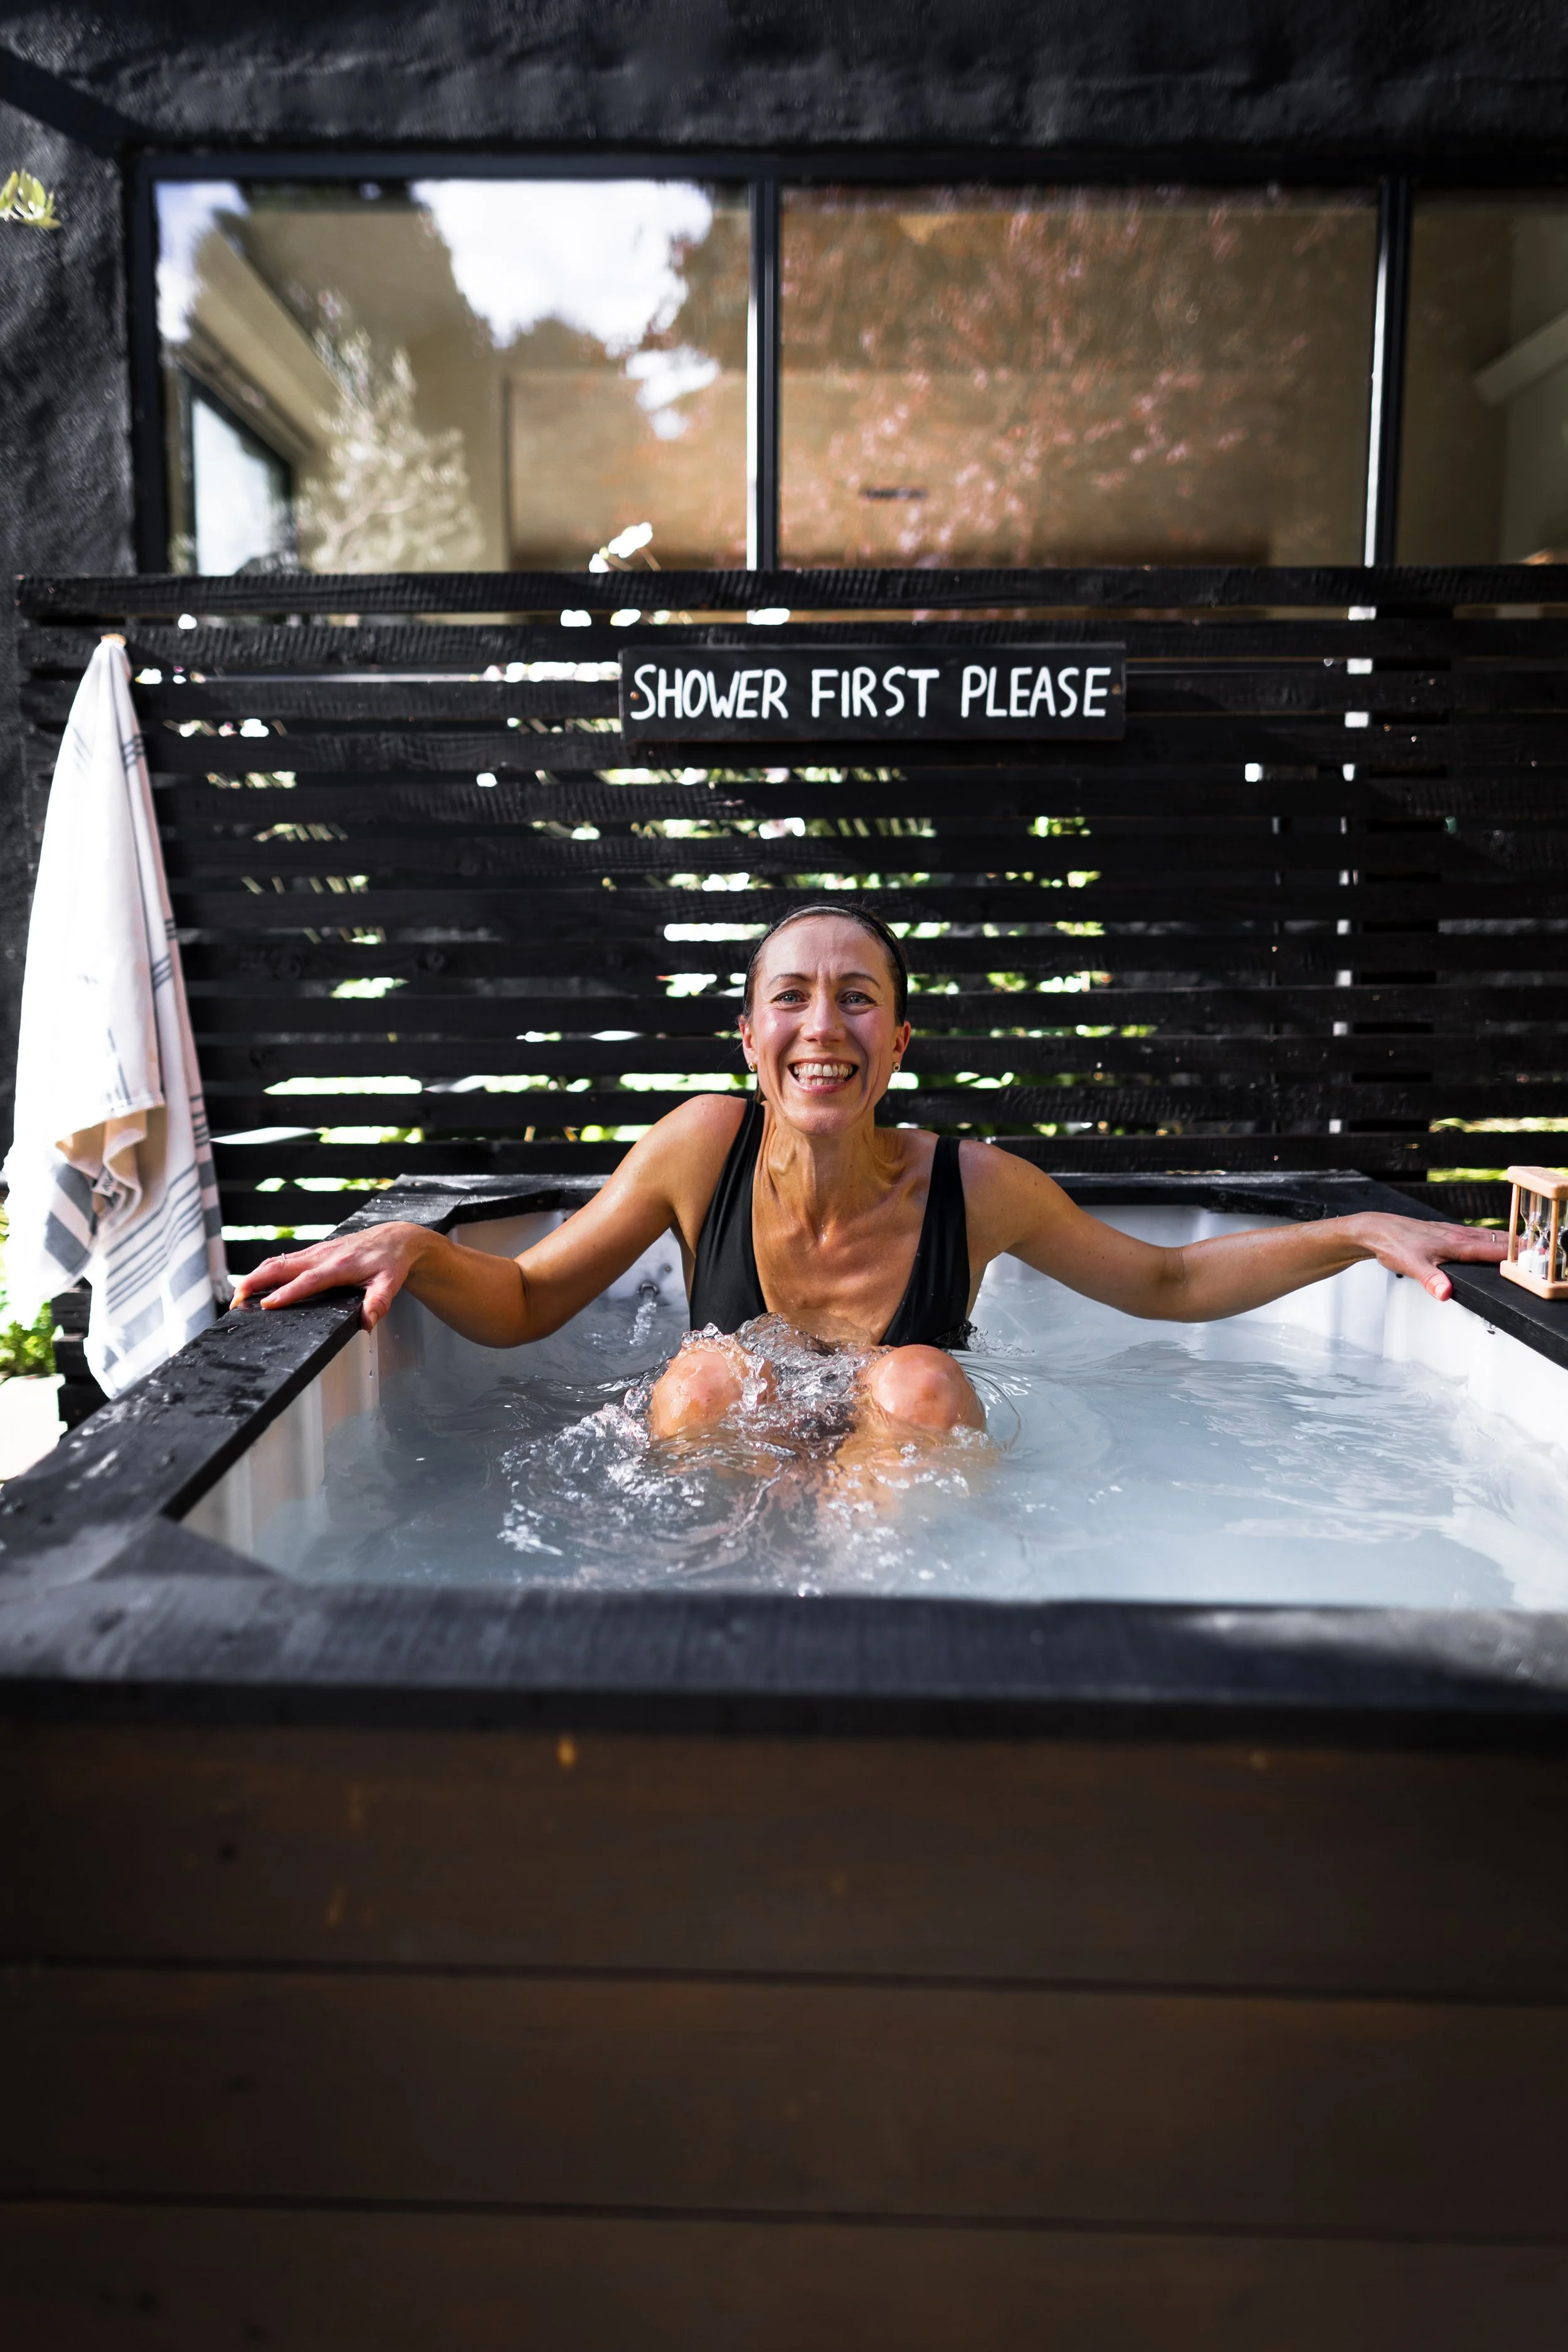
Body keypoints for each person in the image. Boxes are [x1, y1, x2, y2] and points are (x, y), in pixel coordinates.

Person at [231, 903, 1509, 1441]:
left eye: (857, 1000)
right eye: (789, 1000)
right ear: (748, 1041)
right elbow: (524, 1302)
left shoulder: (975, 1185)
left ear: (895, 1042)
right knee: (705, 1375)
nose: (821, 1028)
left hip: (901, 1495)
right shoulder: (700, 1146)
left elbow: (1167, 1285)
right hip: (708, 1491)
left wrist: (1349, 1233)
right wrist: (414, 1247)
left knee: (909, 1379)